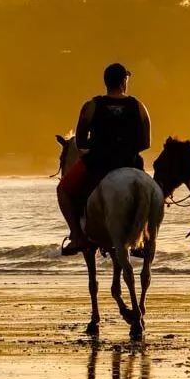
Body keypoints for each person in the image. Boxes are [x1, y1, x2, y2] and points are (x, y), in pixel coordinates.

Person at [57, 63, 151, 255]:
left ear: (105, 82)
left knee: (63, 191)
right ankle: (143, 238)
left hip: (98, 164)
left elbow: (81, 141)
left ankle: (77, 237)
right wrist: (125, 148)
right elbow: (146, 142)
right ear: (124, 81)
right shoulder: (139, 107)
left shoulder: (91, 106)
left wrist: (101, 146)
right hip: (130, 164)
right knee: (149, 195)